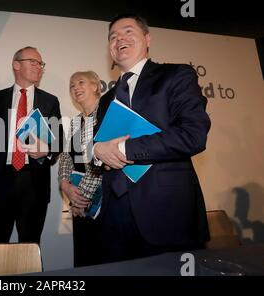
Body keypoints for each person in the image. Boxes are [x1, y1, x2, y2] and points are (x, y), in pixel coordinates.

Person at [93, 14, 211, 263]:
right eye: (113, 37)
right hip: (114, 218)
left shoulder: (176, 75)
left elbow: (193, 135)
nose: (119, 39)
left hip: (168, 213)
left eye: (127, 32)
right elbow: (100, 146)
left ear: (147, 39)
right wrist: (97, 152)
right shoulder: (105, 100)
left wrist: (125, 149)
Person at [0, 46, 63, 244]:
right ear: (16, 65)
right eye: (33, 62)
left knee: (30, 245)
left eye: (41, 63)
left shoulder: (50, 101)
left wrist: (47, 150)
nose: (39, 67)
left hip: (34, 183)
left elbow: (58, 140)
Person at [58, 71, 103, 267]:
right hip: (79, 203)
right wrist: (65, 185)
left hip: (105, 203)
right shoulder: (76, 121)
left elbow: (101, 163)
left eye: (81, 82)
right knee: (85, 260)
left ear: (95, 86)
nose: (75, 87)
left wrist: (80, 199)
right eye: (72, 85)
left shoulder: (106, 115)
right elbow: (66, 158)